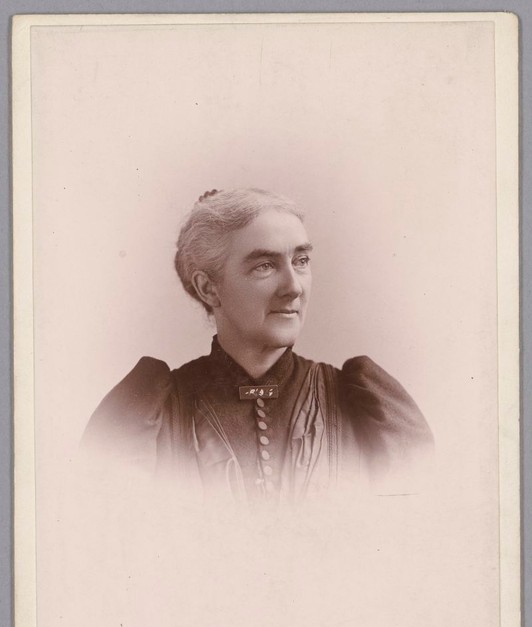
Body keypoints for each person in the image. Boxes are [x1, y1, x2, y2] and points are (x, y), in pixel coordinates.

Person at [82, 188, 433, 502]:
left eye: (301, 261)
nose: (294, 287)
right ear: (209, 288)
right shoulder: (149, 412)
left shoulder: (361, 405)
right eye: (264, 266)